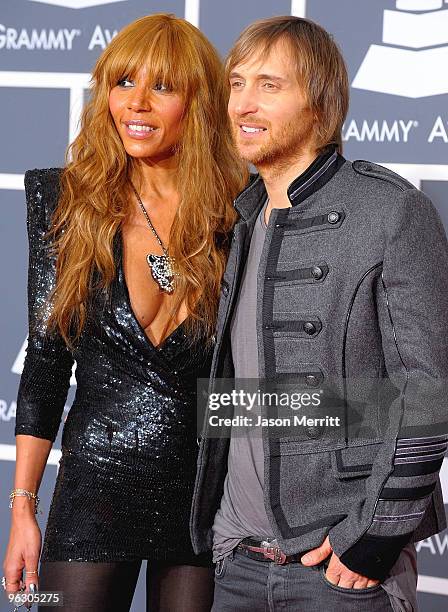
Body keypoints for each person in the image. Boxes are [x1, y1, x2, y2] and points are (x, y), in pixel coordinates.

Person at [190, 15, 448, 612]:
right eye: (236, 83)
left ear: (321, 103)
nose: (243, 104)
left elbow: (429, 393)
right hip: (237, 564)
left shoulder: (390, 210)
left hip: (340, 572)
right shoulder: (238, 220)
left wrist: (372, 544)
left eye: (269, 85)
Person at [2, 13, 246, 612]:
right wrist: (23, 508)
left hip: (203, 499)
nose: (135, 103)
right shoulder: (66, 202)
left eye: (162, 86)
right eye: (122, 82)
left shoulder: (237, 215)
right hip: (94, 489)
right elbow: (47, 362)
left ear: (198, 102)